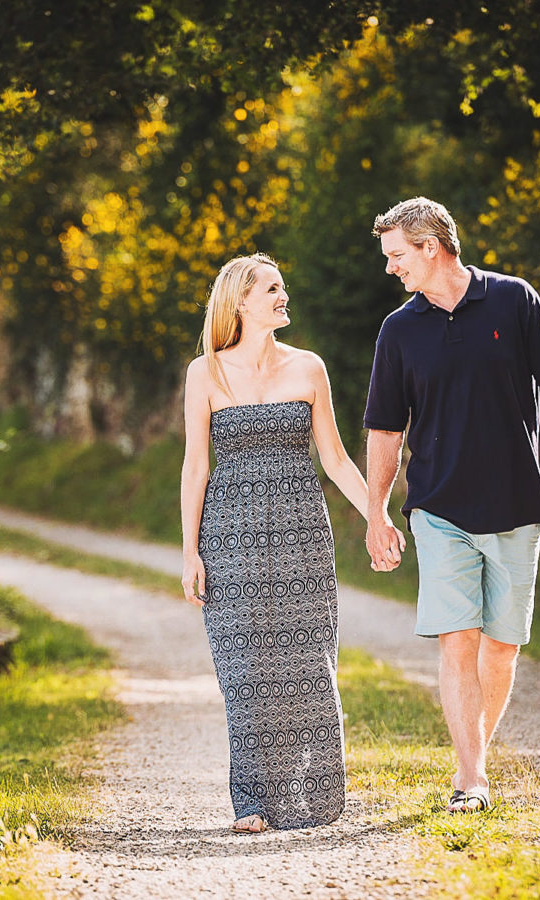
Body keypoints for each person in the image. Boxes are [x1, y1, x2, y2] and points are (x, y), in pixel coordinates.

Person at [363, 197, 540, 814]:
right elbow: (385, 429)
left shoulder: (515, 301)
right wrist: (377, 511)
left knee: (502, 645)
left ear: (431, 247)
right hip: (438, 508)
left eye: (397, 256)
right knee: (457, 640)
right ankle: (471, 780)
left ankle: (475, 757)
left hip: (518, 503)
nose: (390, 269)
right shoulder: (399, 329)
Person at [180, 252, 370, 833]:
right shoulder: (204, 373)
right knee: (243, 667)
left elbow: (335, 459)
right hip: (229, 537)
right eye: (272, 289)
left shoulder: (309, 368)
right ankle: (254, 803)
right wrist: (190, 550)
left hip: (301, 534)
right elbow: (195, 466)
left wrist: (378, 517)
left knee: (306, 662)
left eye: (283, 288)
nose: (284, 297)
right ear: (241, 300)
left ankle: (312, 800)